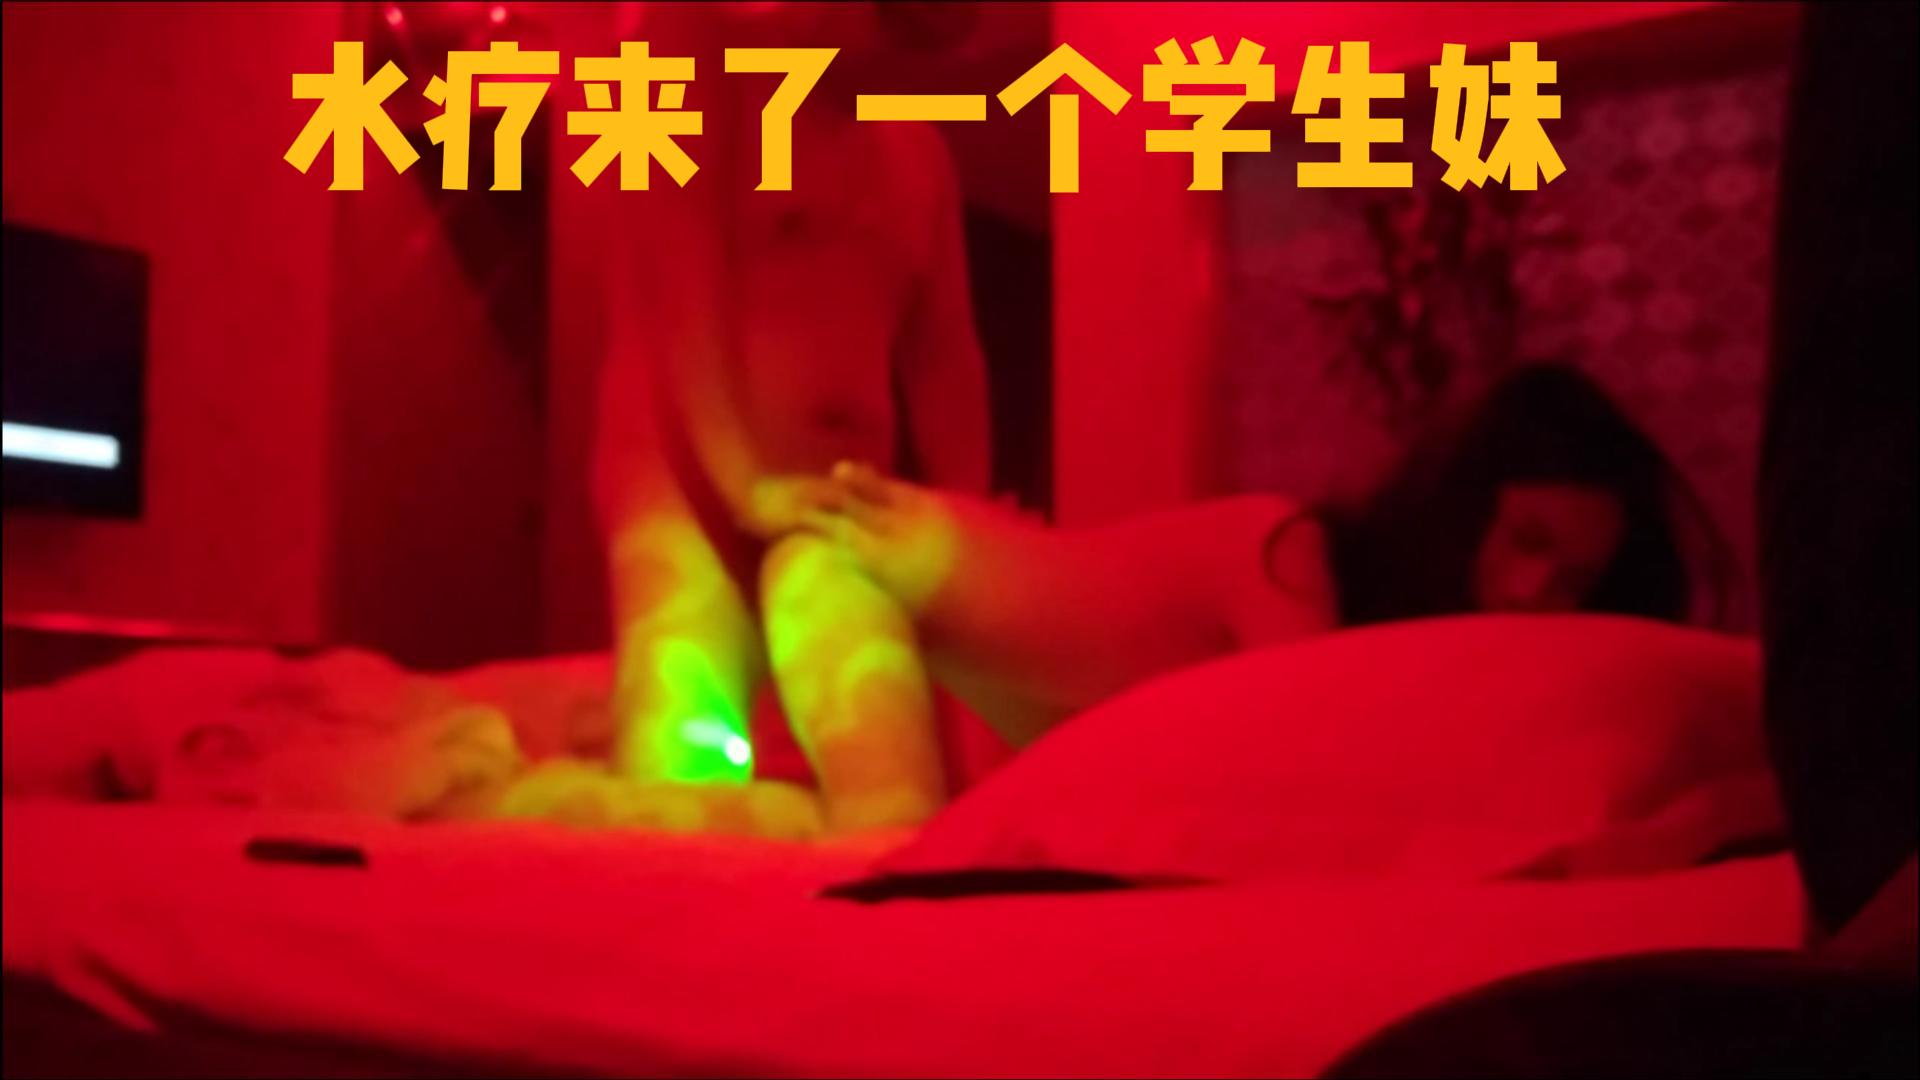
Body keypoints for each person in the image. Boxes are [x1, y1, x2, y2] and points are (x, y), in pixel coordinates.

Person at [782, 363, 1726, 747]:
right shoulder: (1295, 561)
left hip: (980, 649)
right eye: (1527, 541)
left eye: (1571, 580)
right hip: (898, 549)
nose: (1532, 594)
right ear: (1462, 508)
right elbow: (1313, 770)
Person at [581, 2, 990, 835]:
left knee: (890, 782)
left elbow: (946, 365)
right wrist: (743, 486)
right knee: (681, 777)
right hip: (683, 488)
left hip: (833, 503)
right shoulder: (689, 47)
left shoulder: (917, 153)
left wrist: (965, 530)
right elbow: (681, 287)